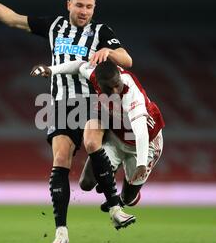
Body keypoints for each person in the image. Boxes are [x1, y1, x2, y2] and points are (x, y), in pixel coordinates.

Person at [0, 0, 133, 243]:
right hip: (62, 103)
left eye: (89, 7)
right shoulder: (53, 27)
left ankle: (115, 209)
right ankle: (61, 232)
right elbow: (12, 18)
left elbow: (127, 59)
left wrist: (107, 52)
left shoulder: (102, 32)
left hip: (92, 100)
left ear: (94, 9)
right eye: (79, 5)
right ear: (68, 5)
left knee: (91, 144)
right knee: (61, 161)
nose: (84, 11)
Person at [31, 60, 165, 216]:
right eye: (109, 88)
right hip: (117, 137)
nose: (115, 92)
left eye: (117, 85)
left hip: (145, 143)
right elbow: (79, 66)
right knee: (86, 183)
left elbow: (141, 132)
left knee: (129, 198)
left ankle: (122, 198)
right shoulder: (95, 75)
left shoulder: (132, 95)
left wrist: (141, 164)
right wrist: (51, 69)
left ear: (120, 78)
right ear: (99, 84)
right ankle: (112, 171)